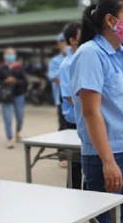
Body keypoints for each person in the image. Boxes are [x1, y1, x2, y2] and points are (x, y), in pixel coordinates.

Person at [69, 0, 123, 223]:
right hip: (108, 153)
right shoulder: (90, 54)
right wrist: (108, 161)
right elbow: (91, 112)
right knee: (105, 219)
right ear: (111, 20)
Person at [58, 21, 82, 189]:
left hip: (88, 118)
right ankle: (74, 196)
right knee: (75, 164)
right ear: (73, 40)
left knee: (90, 162)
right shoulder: (67, 64)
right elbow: (69, 97)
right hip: (76, 120)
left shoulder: (86, 58)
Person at [0, 47, 28, 149]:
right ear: (4, 56)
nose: (10, 55)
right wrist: (5, 82)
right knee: (7, 118)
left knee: (19, 116)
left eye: (12, 53)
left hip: (18, 95)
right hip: (6, 97)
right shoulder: (0, 68)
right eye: (8, 54)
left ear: (15, 55)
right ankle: (10, 138)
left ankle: (18, 131)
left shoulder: (19, 67)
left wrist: (16, 81)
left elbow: (25, 82)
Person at [48, 33, 68, 168]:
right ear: (58, 44)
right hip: (63, 98)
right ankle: (63, 155)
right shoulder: (55, 61)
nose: (64, 44)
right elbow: (56, 79)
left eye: (66, 41)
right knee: (64, 127)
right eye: (62, 41)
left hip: (79, 98)